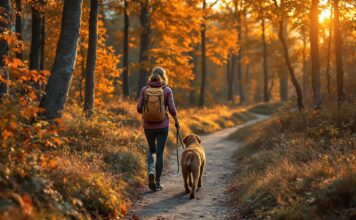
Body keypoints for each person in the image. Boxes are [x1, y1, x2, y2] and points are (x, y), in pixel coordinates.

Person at [137, 67, 180, 191]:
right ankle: (157, 183)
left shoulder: (145, 89)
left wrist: (148, 112)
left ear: (151, 75)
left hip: (148, 126)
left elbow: (139, 108)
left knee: (152, 151)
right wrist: (177, 122)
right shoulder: (166, 90)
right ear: (164, 76)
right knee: (160, 153)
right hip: (163, 125)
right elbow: (172, 109)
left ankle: (151, 171)